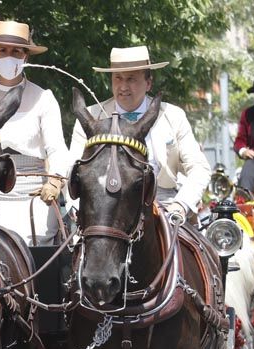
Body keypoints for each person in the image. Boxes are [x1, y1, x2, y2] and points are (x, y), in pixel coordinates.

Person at [68, 45, 211, 223]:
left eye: (131, 79)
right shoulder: (92, 117)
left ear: (148, 83)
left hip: (165, 207)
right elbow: (72, 167)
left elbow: (199, 167)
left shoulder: (173, 116)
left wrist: (182, 204)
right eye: (117, 78)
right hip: (104, 213)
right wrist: (74, 206)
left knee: (197, 249)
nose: (123, 86)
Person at [0, 20, 70, 245]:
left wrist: (55, 182)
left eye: (16, 51)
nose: (9, 56)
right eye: (2, 50)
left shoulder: (44, 98)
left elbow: (57, 149)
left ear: (26, 57)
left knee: (36, 245)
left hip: (33, 198)